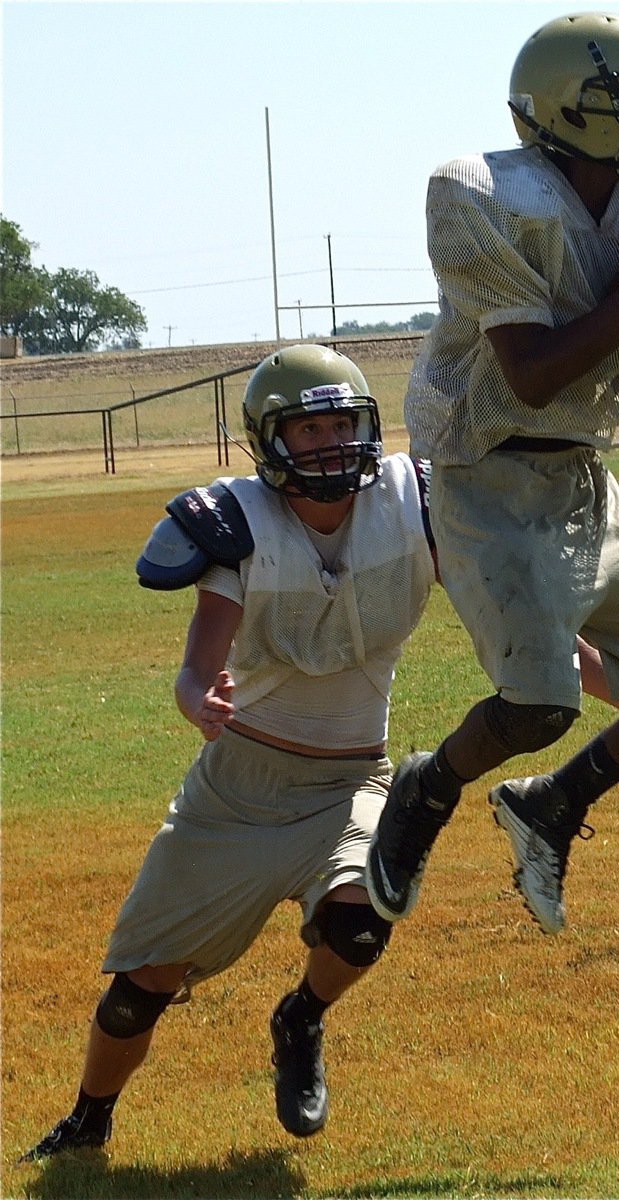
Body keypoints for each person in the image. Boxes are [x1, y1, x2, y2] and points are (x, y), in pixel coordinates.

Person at [366, 11, 619, 937]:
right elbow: (532, 373)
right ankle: (431, 786)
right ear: (574, 112)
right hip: (484, 475)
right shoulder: (478, 193)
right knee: (537, 705)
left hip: (586, 480)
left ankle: (554, 803)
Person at [19, 344, 440, 1160]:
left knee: (362, 920)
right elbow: (195, 668)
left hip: (352, 776)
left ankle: (301, 1017)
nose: (329, 443)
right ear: (269, 441)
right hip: (238, 788)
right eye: (308, 428)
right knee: (137, 994)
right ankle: (88, 1121)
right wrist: (196, 700)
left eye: (342, 424)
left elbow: (523, 627)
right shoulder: (240, 524)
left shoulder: (413, 503)